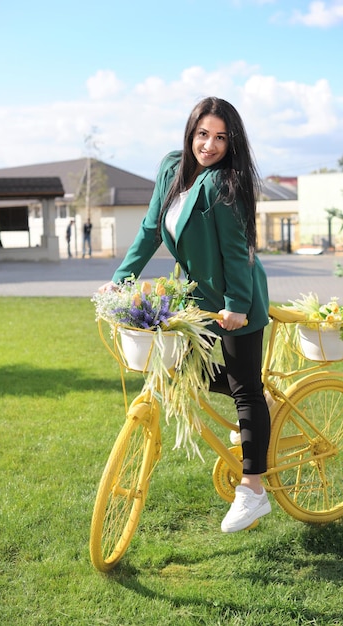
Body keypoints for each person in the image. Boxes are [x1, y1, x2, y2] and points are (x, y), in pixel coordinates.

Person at [99, 97, 271, 533]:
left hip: (237, 295)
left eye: (220, 137)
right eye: (202, 134)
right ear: (190, 131)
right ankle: (260, 404)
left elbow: (236, 252)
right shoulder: (171, 168)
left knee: (244, 388)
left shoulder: (225, 184)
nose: (209, 145)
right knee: (185, 368)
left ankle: (253, 490)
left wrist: (236, 306)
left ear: (231, 143)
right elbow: (151, 229)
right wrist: (122, 280)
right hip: (199, 300)